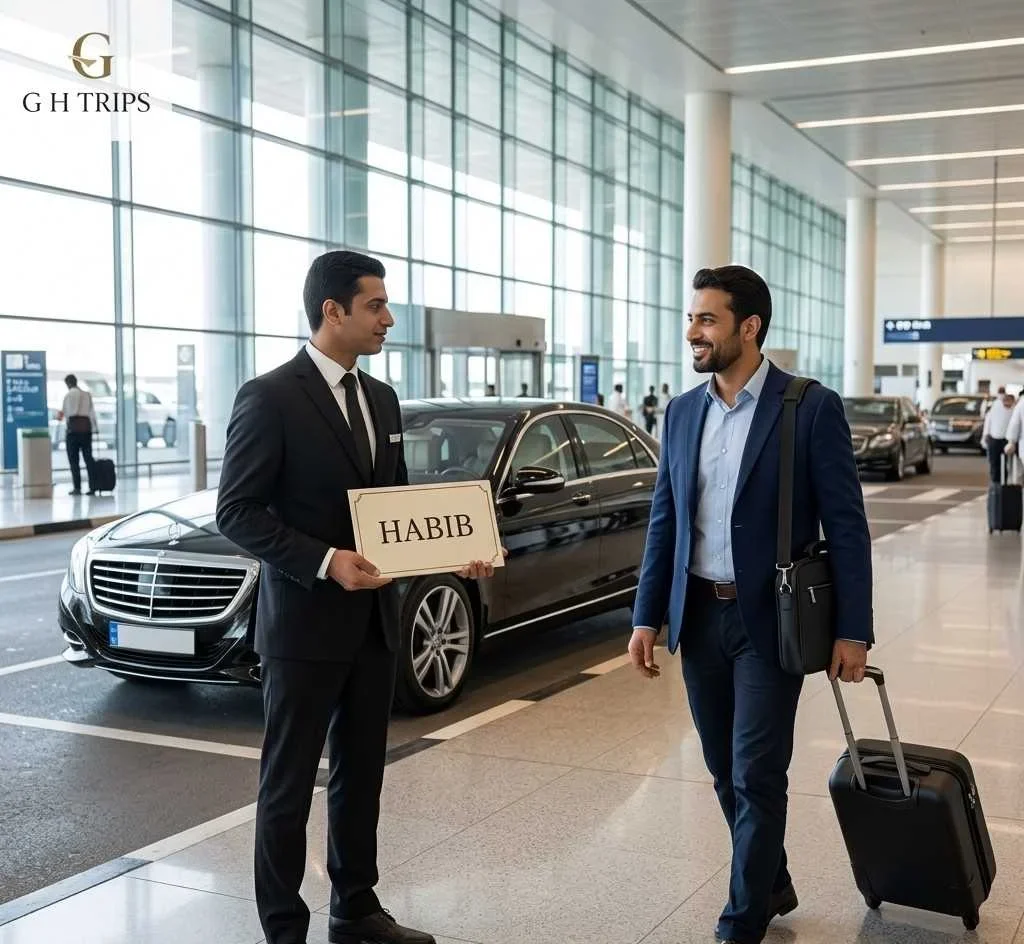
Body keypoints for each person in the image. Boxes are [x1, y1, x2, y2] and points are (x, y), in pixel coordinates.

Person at [216, 250, 497, 944]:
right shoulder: (269, 396)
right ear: (331, 310)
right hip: (303, 628)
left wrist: (453, 550)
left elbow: (391, 506)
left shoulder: (381, 399)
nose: (389, 318)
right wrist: (323, 561)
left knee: (362, 775)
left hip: (374, 623)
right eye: (375, 305)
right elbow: (238, 512)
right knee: (286, 788)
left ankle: (356, 906)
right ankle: (284, 928)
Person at [628, 265, 873, 944]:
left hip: (773, 618)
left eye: (707, 320)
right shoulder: (682, 412)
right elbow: (665, 520)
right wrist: (647, 616)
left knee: (756, 771)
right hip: (700, 616)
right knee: (720, 770)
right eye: (692, 319)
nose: (693, 332)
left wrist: (853, 629)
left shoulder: (808, 407)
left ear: (749, 327)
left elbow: (846, 526)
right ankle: (773, 880)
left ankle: (741, 919)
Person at [56, 373, 98, 496]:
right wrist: (95, 428)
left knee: (74, 460)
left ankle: (77, 487)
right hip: (86, 430)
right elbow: (92, 413)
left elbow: (64, 414)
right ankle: (93, 487)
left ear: (68, 384)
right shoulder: (87, 395)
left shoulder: (68, 395)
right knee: (88, 459)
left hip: (73, 431)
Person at [982, 390, 1015, 483]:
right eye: (1006, 401)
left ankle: (1006, 482)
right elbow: (988, 421)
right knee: (994, 464)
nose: (1007, 404)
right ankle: (995, 483)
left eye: (1009, 402)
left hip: (1008, 440)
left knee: (1008, 464)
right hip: (994, 440)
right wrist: (986, 435)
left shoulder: (1015, 409)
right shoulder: (996, 406)